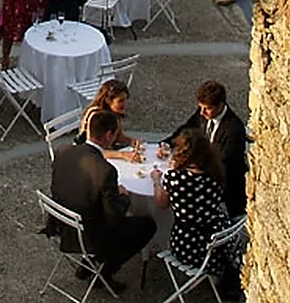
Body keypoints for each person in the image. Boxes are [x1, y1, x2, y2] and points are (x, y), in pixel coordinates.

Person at [46, 108, 157, 292]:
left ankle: (86, 264)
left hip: (61, 224)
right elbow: (114, 217)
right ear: (108, 135)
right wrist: (123, 197)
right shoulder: (106, 171)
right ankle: (105, 274)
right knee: (147, 225)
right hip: (88, 235)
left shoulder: (63, 151)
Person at [153, 130, 240, 291]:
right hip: (220, 239)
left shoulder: (175, 178)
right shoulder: (216, 174)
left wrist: (157, 181)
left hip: (189, 246)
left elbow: (162, 203)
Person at [166, 79, 249, 217]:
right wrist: (168, 143)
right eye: (201, 107)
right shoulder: (203, 113)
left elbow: (224, 161)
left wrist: (187, 165)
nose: (202, 113)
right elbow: (187, 128)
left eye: (207, 109)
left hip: (225, 187)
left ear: (221, 105)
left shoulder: (234, 128)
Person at [80, 79, 143, 154]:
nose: (125, 104)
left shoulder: (115, 113)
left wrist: (131, 141)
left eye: (126, 99)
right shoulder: (95, 116)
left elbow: (117, 136)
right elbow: (93, 149)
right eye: (121, 101)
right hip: (85, 153)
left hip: (107, 149)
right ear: (108, 100)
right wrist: (122, 155)